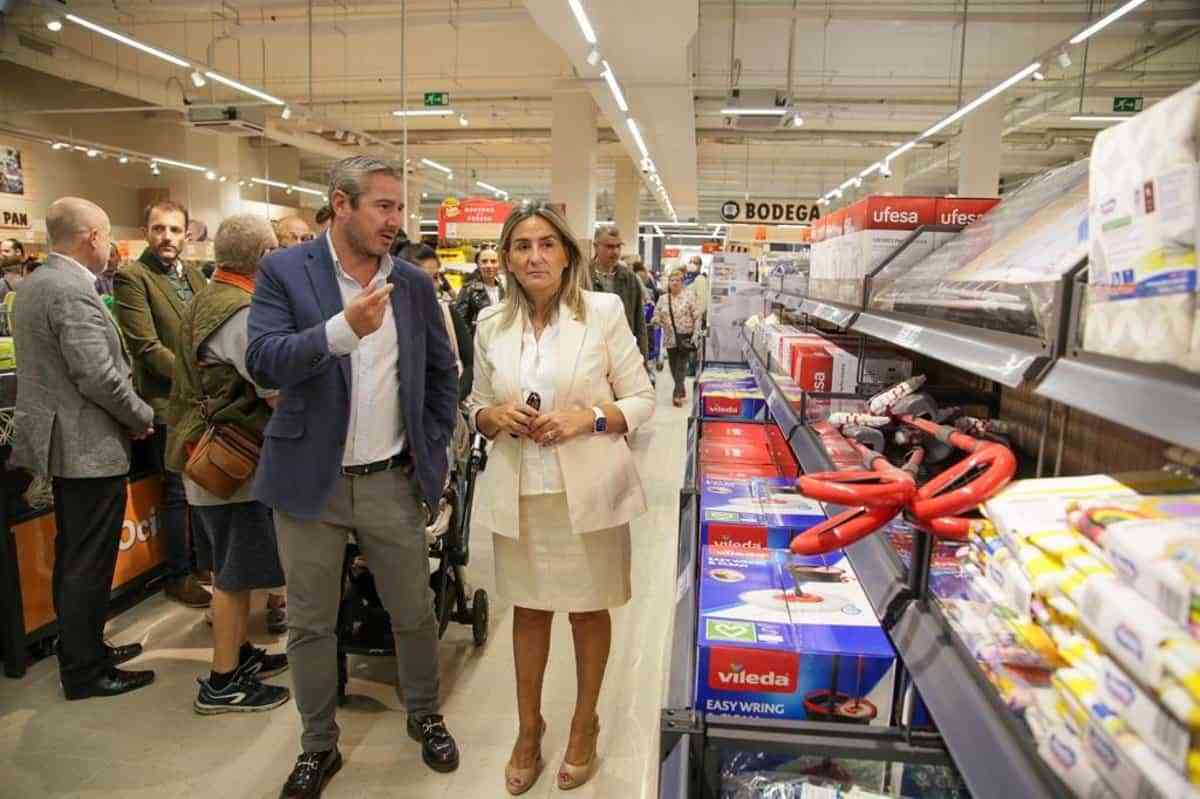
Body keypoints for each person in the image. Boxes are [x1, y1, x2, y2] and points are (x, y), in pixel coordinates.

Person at [246, 155, 461, 796]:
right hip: (310, 482)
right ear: (341, 204)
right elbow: (263, 359)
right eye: (383, 206)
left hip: (391, 479)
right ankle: (318, 745)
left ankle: (424, 714)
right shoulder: (285, 270)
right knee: (311, 622)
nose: (396, 220)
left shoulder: (416, 286)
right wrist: (342, 331)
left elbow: (441, 377)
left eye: (400, 207)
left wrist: (432, 453)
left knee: (414, 609)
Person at [466, 203, 654, 795]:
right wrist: (492, 415)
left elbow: (643, 399)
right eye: (522, 246)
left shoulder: (602, 312)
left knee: (587, 608)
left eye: (547, 244)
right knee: (528, 609)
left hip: (588, 490)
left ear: (568, 254)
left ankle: (584, 723)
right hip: (521, 491)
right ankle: (529, 729)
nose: (535, 256)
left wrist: (589, 420)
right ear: (507, 258)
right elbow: (472, 405)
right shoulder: (491, 323)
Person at [10, 198, 156, 700]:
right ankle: (85, 668)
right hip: (85, 444)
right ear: (91, 237)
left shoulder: (33, 285)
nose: (111, 247)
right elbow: (97, 376)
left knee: (75, 551)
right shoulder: (70, 291)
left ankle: (82, 646)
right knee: (87, 558)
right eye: (108, 236)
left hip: (63, 440)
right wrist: (140, 416)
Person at [165, 214, 291, 715]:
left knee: (226, 561)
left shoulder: (204, 296)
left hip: (202, 451)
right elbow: (270, 384)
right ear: (263, 257)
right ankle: (222, 682)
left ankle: (237, 654)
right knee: (236, 573)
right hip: (231, 460)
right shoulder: (240, 312)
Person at [113, 201, 212, 609]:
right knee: (176, 492)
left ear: (187, 234)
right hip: (168, 400)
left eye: (174, 230)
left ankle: (203, 562)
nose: (167, 237)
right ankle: (178, 574)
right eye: (159, 229)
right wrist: (199, 378)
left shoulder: (193, 274)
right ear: (146, 231)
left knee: (206, 484)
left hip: (204, 399)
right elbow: (146, 346)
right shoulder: (131, 277)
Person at [399, 242, 473, 401]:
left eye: (437, 277)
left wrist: (452, 399)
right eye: (429, 278)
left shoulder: (447, 314)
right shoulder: (387, 321)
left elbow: (471, 364)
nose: (438, 284)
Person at [590, 227, 648, 357]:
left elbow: (639, 323)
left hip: (621, 353)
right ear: (596, 246)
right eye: (609, 246)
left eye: (618, 246)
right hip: (590, 354)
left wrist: (642, 359)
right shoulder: (582, 277)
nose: (615, 252)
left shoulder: (630, 279)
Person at [651, 267, 700, 407]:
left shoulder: (689, 296)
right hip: (670, 338)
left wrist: (696, 334)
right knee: (673, 367)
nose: (674, 283)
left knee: (681, 367)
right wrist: (656, 320)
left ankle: (677, 394)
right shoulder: (663, 299)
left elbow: (697, 316)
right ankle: (681, 387)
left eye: (677, 280)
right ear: (669, 282)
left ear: (682, 282)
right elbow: (657, 314)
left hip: (686, 337)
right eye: (672, 280)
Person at [454, 245, 505, 335]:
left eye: (493, 261)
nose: (489, 265)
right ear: (478, 264)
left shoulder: (505, 288)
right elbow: (460, 322)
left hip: (502, 339)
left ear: (499, 264)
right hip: (478, 342)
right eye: (484, 261)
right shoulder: (469, 289)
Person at [685, 255, 709, 322]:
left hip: (692, 320)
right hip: (682, 319)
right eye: (690, 262)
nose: (692, 264)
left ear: (700, 266)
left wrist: (694, 316)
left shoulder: (700, 279)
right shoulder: (686, 279)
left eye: (695, 263)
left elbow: (703, 303)